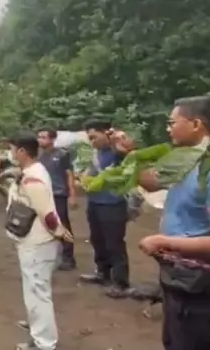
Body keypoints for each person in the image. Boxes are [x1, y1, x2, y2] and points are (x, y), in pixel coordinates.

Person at [138, 96, 210, 349]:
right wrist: (132, 156)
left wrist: (163, 241)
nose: (168, 128)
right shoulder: (186, 161)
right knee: (174, 340)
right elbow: (150, 182)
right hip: (178, 276)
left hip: (202, 283)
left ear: (196, 124)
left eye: (172, 122)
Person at [7, 132, 73, 350]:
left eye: (13, 149)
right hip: (31, 241)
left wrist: (59, 231)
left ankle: (44, 343)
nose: (11, 153)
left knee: (38, 293)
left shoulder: (33, 177)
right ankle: (38, 331)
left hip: (37, 243)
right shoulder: (33, 171)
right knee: (35, 290)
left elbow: (46, 212)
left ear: (23, 151)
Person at [79, 119, 130, 298]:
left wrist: (116, 139)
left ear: (106, 133)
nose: (92, 141)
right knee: (97, 239)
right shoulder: (97, 153)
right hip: (95, 202)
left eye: (94, 137)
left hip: (114, 203)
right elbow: (90, 170)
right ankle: (102, 273)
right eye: (89, 138)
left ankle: (120, 282)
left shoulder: (118, 150)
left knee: (114, 243)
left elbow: (129, 152)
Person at [36, 128, 78, 271]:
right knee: (44, 223)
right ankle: (49, 255)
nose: (40, 140)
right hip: (43, 194)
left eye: (44, 137)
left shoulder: (61, 154)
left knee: (62, 224)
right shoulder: (39, 156)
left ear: (52, 139)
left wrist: (72, 194)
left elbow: (69, 174)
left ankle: (68, 257)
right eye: (39, 137)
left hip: (58, 193)